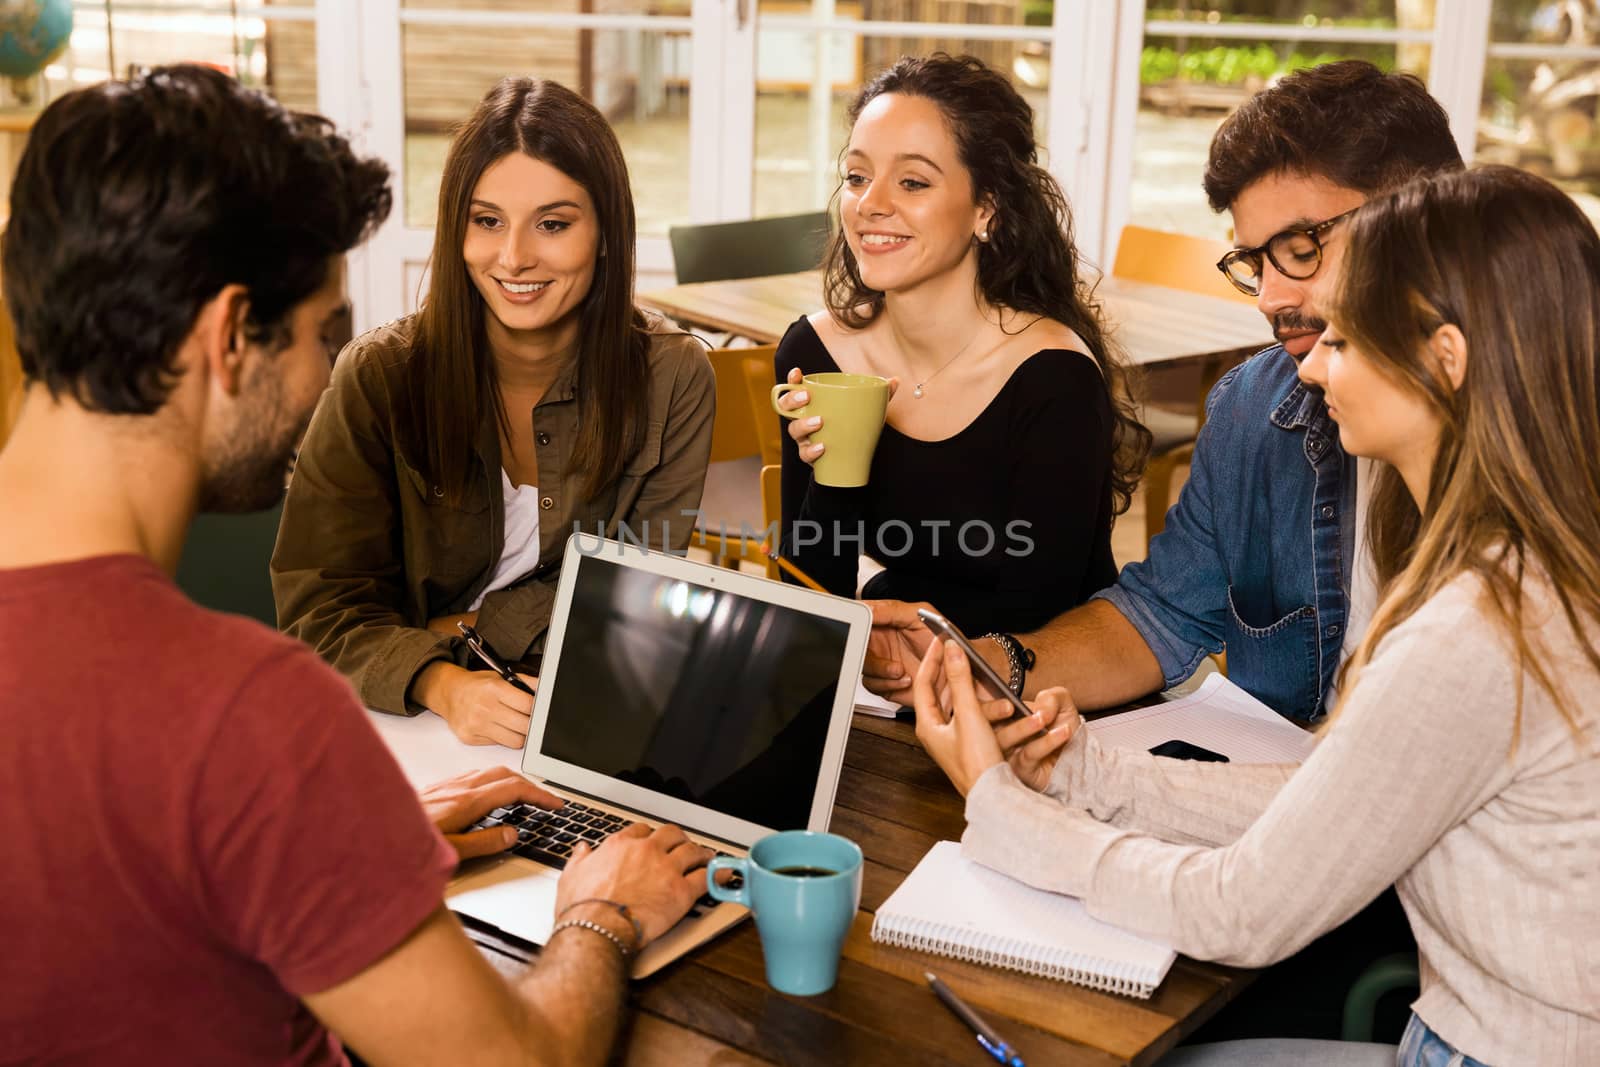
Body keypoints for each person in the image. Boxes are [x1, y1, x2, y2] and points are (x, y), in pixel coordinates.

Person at [0, 65, 712, 1066]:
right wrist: (600, 912)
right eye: (324, 332)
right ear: (230, 340)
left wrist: (341, 838)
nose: (326, 372)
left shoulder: (242, 755)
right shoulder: (252, 720)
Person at [915, 165, 1600, 1066]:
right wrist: (1085, 777)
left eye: (1346, 340)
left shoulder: (1477, 628)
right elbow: (1334, 796)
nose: (1311, 361)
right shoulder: (1526, 568)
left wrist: (999, 805)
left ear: (1445, 358)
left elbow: (1239, 908)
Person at [865, 61, 1463, 724]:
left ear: (1423, 221)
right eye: (1254, 263)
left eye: (1300, 248)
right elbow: (1160, 612)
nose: (1270, 297)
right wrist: (982, 668)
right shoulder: (1253, 408)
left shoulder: (1541, 461)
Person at [272, 77, 716, 749]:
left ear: (605, 233)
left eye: (553, 223)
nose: (513, 258)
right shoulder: (377, 375)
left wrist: (465, 627)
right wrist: (440, 680)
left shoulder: (673, 376)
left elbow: (637, 603)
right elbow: (318, 610)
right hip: (394, 719)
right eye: (487, 221)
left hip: (573, 707)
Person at [774, 53, 1150, 638]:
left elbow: (1038, 620)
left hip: (1046, 690)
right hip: (899, 668)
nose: (870, 203)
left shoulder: (1052, 377)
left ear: (986, 209)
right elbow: (809, 597)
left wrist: (898, 638)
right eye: (856, 176)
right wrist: (832, 474)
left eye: (913, 181)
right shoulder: (817, 351)